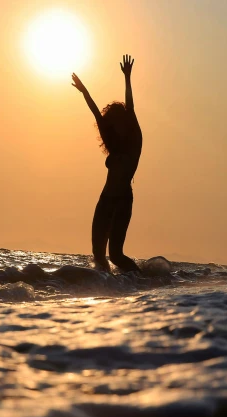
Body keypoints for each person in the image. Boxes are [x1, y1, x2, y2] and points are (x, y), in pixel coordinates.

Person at [72, 54, 142, 272]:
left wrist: (127, 78)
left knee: (116, 255)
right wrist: (85, 92)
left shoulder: (134, 142)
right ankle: (106, 289)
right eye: (112, 122)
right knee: (98, 254)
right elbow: (95, 113)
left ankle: (141, 281)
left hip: (123, 200)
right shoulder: (113, 144)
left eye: (118, 121)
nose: (114, 125)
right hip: (105, 199)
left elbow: (130, 109)